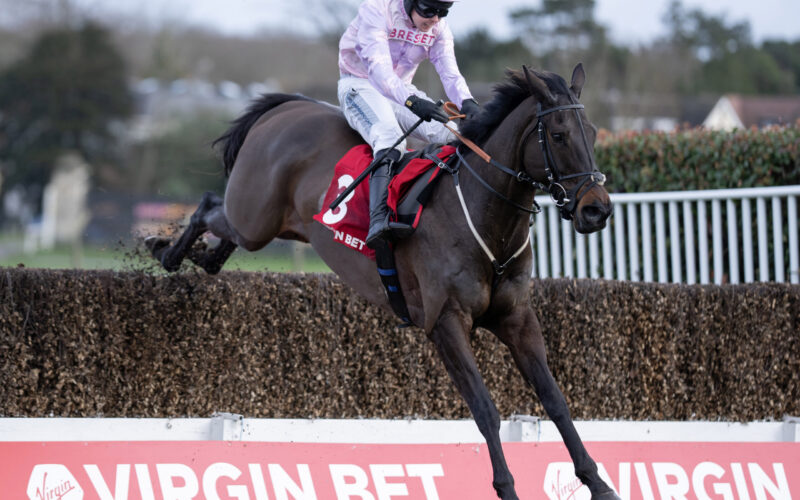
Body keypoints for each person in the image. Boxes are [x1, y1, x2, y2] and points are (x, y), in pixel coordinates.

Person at [338, 0, 481, 248]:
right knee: (390, 136)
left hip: (401, 91)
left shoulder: (439, 29)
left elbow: (449, 73)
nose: (435, 19)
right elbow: (379, 70)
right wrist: (412, 101)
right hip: (359, 84)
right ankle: (378, 221)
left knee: (453, 133)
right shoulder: (376, 10)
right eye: (429, 10)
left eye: (443, 12)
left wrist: (467, 101)